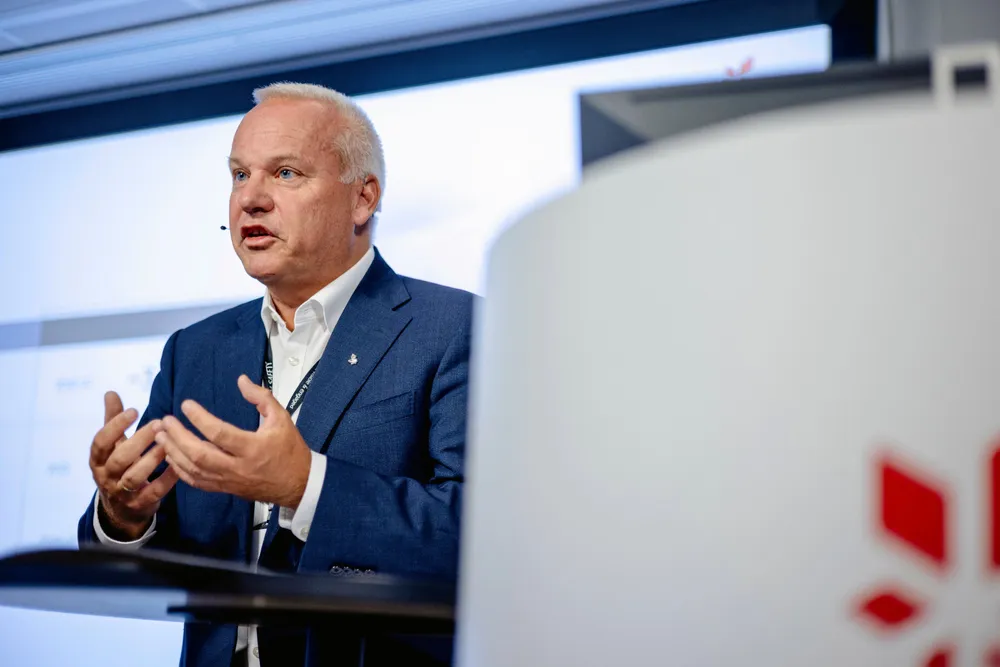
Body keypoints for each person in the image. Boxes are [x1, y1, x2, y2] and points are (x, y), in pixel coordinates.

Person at [78, 82, 473, 667]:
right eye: (239, 175)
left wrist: (307, 486)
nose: (250, 199)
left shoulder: (453, 327)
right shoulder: (196, 350)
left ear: (363, 199)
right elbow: (154, 559)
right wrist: (124, 516)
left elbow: (481, 535)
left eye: (285, 173)